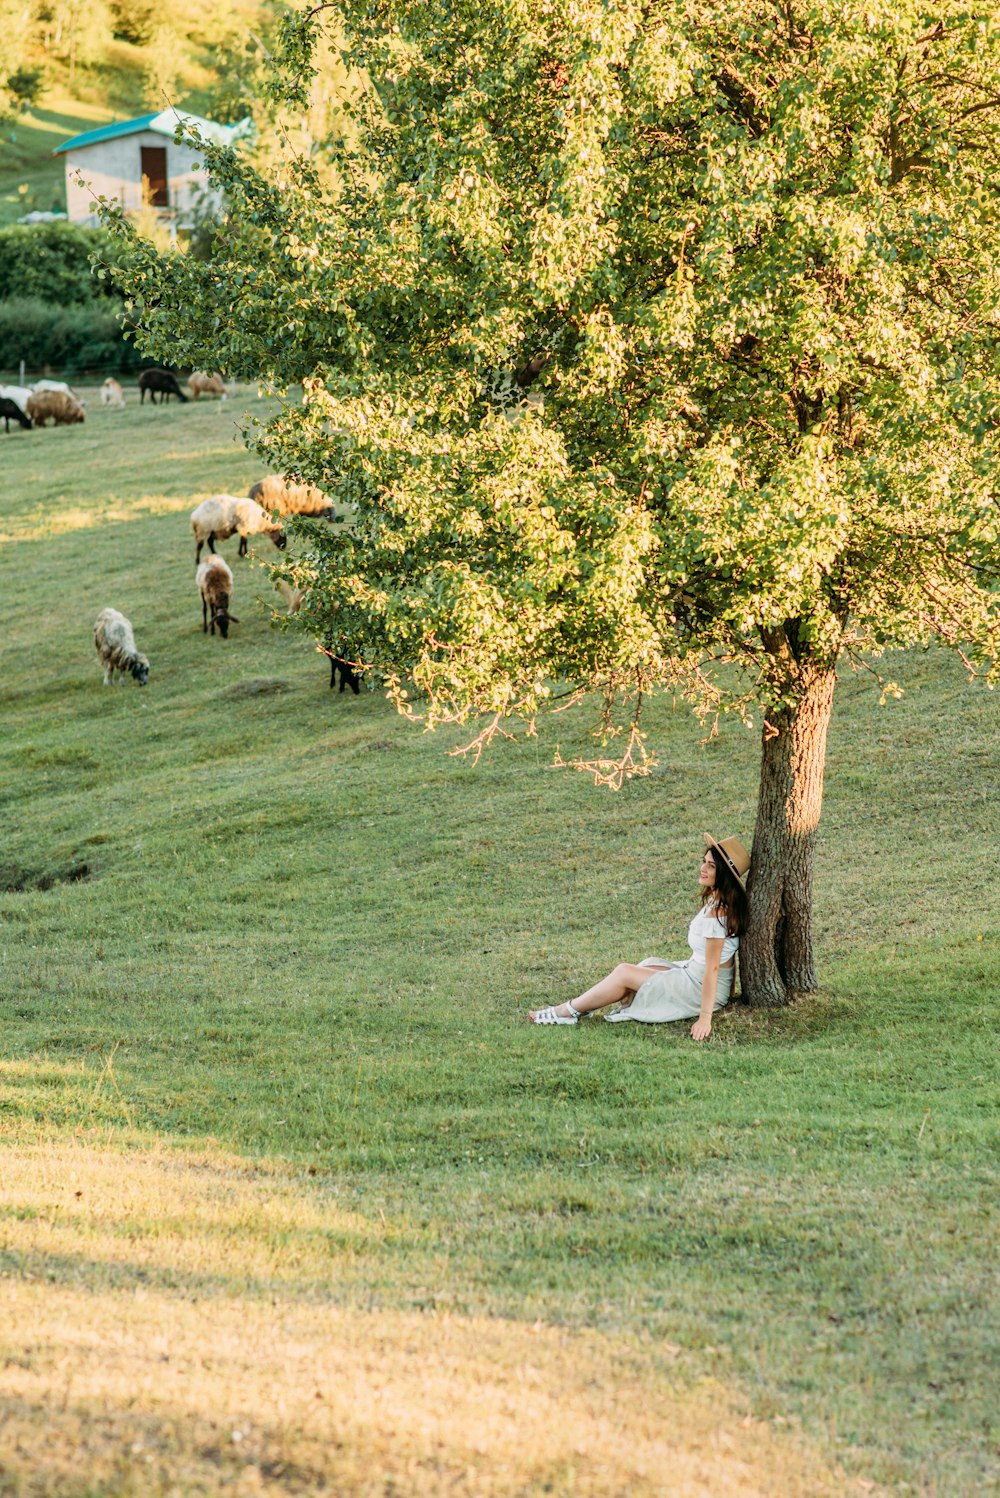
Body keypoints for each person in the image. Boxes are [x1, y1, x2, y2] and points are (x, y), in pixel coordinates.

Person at [528, 834, 750, 1041]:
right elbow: (728, 963)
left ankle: (566, 1011)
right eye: (704, 861)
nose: (703, 868)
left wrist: (705, 1017)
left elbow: (714, 968)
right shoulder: (717, 903)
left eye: (711, 866)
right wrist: (727, 993)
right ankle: (580, 1009)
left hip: (698, 986)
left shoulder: (719, 913)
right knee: (646, 965)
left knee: (625, 972)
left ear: (723, 874)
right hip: (693, 974)